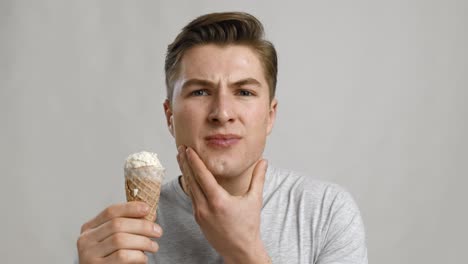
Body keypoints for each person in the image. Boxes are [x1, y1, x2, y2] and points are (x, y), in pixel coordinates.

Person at [76, 12, 368, 264]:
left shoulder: (327, 212)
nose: (222, 113)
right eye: (200, 91)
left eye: (244, 92)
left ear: (270, 115)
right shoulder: (126, 235)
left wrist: (245, 252)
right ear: (169, 116)